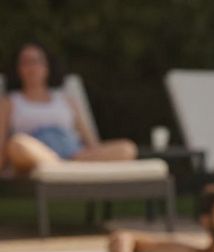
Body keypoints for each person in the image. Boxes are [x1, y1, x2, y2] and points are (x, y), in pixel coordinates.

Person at [0, 42, 137, 173]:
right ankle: (59, 166)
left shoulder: (66, 100)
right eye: (26, 62)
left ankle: (61, 167)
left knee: (127, 148)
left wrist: (97, 153)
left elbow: (92, 143)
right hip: (36, 155)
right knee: (16, 145)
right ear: (18, 69)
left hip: (76, 154)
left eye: (37, 61)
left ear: (47, 66)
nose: (32, 67)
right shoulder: (9, 102)